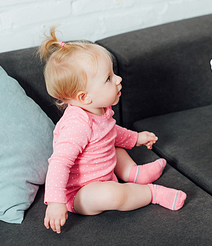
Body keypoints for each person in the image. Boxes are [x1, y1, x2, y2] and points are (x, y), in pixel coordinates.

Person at [38, 27, 186, 234]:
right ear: (84, 97)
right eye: (108, 78)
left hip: (104, 170)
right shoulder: (77, 124)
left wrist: (136, 138)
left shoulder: (100, 110)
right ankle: (151, 193)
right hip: (81, 192)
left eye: (114, 74)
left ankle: (134, 173)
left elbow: (111, 132)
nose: (118, 79)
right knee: (111, 195)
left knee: (113, 145)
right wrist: (55, 202)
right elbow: (59, 164)